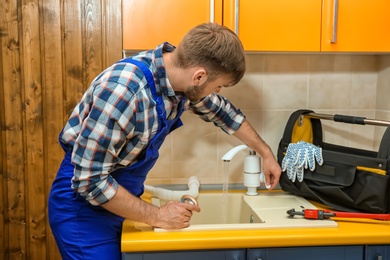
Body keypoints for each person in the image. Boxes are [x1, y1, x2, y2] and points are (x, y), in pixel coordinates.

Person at [48, 22, 282, 259]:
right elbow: (89, 181)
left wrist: (265, 152)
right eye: (218, 85)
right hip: (82, 211)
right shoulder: (123, 91)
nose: (217, 92)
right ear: (199, 76)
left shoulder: (177, 81)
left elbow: (223, 113)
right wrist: (158, 215)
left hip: (119, 201)